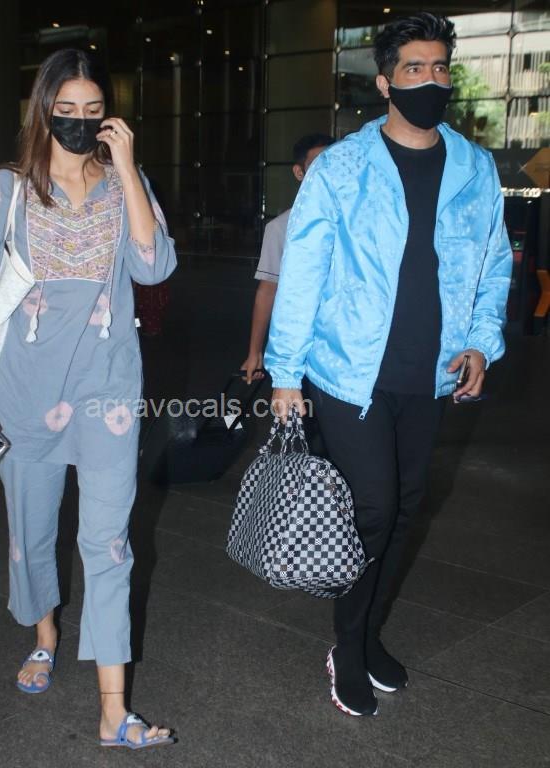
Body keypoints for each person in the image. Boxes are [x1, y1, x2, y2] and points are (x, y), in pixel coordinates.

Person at [265, 13, 512, 717]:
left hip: (429, 372)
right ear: (383, 82)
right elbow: (302, 273)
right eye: (413, 68)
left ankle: (368, 632)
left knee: (404, 507)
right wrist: (284, 374)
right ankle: (347, 645)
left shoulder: (473, 167)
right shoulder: (342, 167)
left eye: (439, 68)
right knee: (372, 508)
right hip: (349, 373)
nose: (429, 80)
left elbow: (492, 263)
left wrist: (481, 342)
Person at [0, 49, 176, 749]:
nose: (78, 122)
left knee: (109, 545)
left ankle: (113, 711)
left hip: (108, 392)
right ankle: (44, 634)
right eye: (65, 110)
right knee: (31, 533)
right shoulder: (8, 188)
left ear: (109, 115)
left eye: (92, 110)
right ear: (43, 111)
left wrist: (127, 169)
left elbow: (153, 266)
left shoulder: (124, 184)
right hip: (21, 393)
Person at [240, 134, 334, 384]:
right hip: (302, 348)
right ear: (299, 172)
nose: (327, 172)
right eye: (317, 164)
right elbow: (267, 290)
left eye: (332, 163)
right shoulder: (282, 228)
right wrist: (254, 351)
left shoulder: (356, 222)